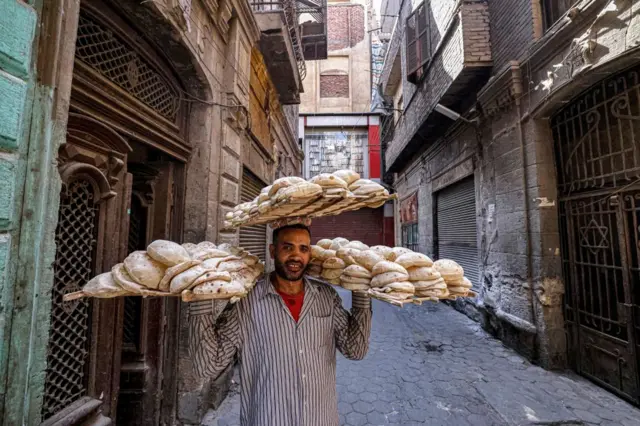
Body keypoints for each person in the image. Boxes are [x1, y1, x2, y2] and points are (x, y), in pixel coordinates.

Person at [188, 219, 372, 426]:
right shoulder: (246, 301)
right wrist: (200, 298)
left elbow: (355, 350)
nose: (296, 256)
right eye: (287, 247)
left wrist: (362, 289)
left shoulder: (326, 297)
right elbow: (207, 367)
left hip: (320, 418)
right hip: (269, 418)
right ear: (272, 251)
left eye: (303, 249)